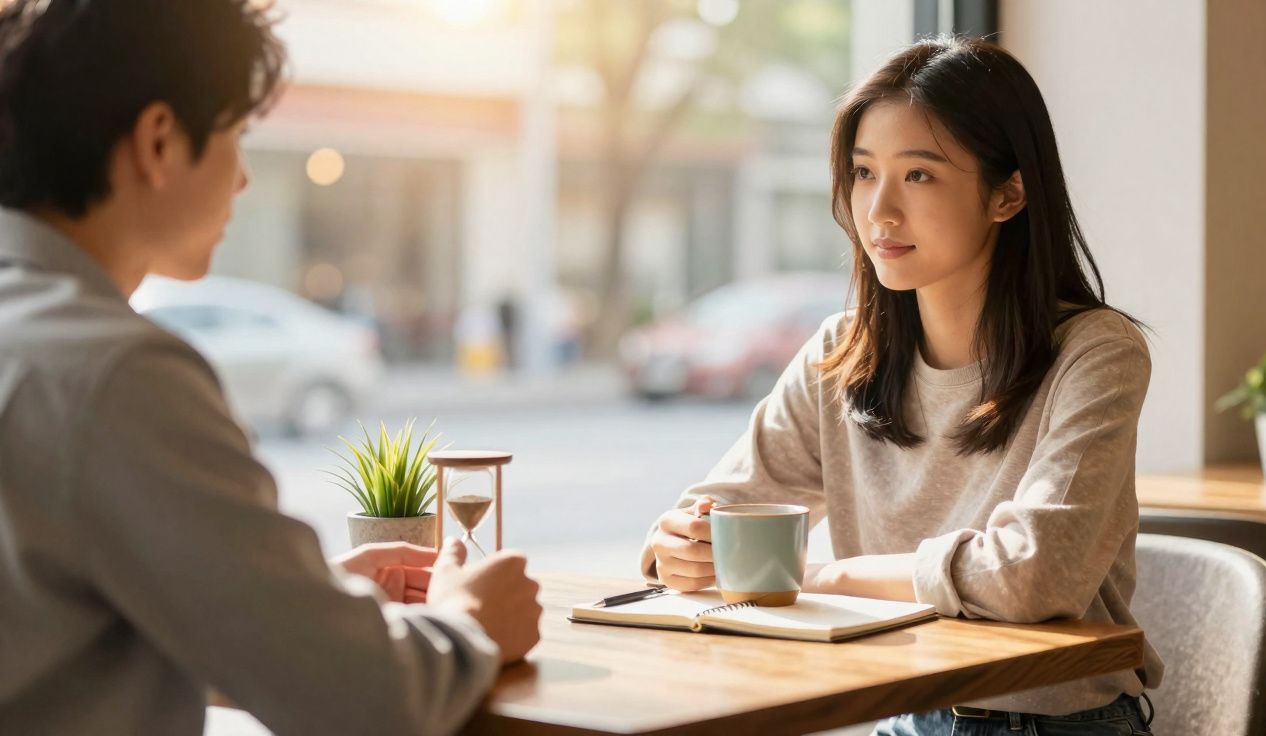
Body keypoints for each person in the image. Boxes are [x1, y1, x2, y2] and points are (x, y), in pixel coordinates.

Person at [0, 2, 540, 735]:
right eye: (238, 136)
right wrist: (470, 619)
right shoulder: (115, 372)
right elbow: (365, 702)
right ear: (159, 141)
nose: (245, 180)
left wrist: (292, 606)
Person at [641, 36, 1162, 735]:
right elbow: (721, 516)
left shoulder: (1095, 353)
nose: (879, 212)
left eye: (918, 175)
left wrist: (831, 578)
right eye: (864, 172)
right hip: (902, 712)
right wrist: (677, 546)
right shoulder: (843, 353)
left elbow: (1034, 574)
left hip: (1051, 723)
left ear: (1007, 194)